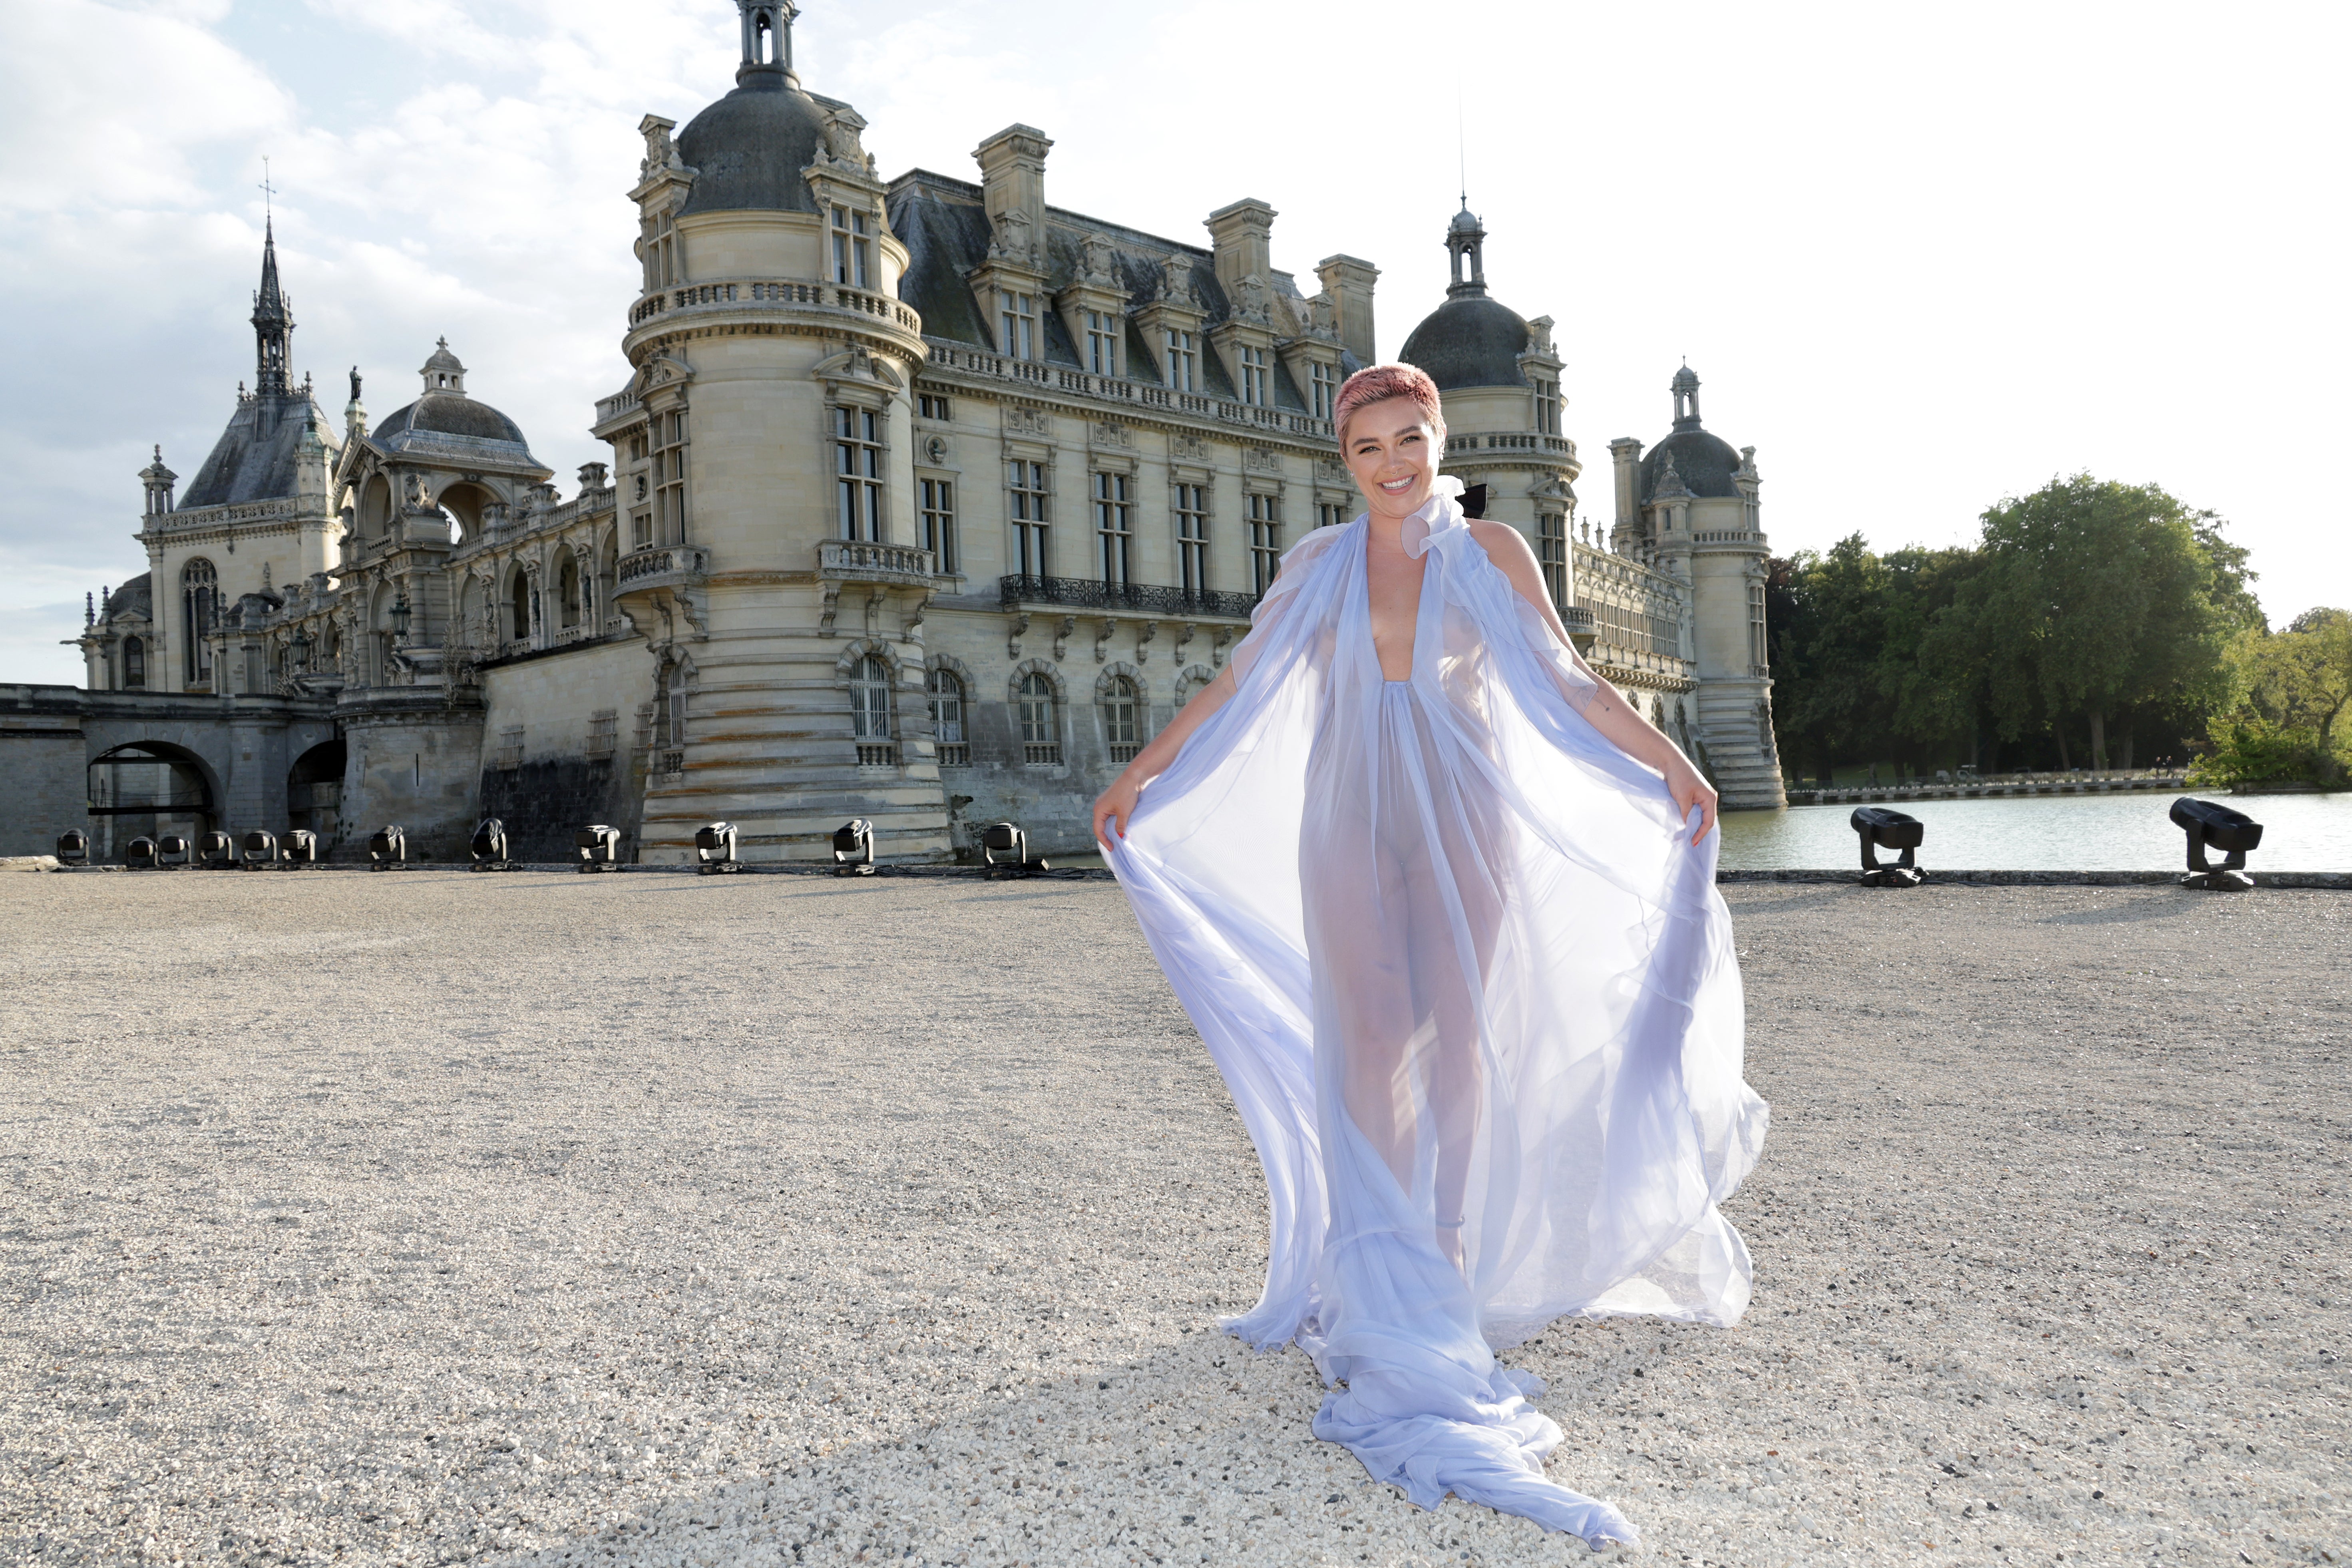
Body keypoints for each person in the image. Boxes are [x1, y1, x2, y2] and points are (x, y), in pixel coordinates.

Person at [1093, 362, 1767, 1548]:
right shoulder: (1315, 569)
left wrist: (1671, 764)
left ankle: (1443, 1280)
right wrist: (1144, 772)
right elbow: (1239, 683)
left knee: (1461, 1049)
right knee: (1366, 1054)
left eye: (1412, 439)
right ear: (1342, 462)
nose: (1396, 463)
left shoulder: (1494, 553)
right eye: (1370, 449)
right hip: (1347, 821)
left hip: (1466, 819)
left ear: (1441, 438)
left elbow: (1566, 683)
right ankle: (1376, 1284)